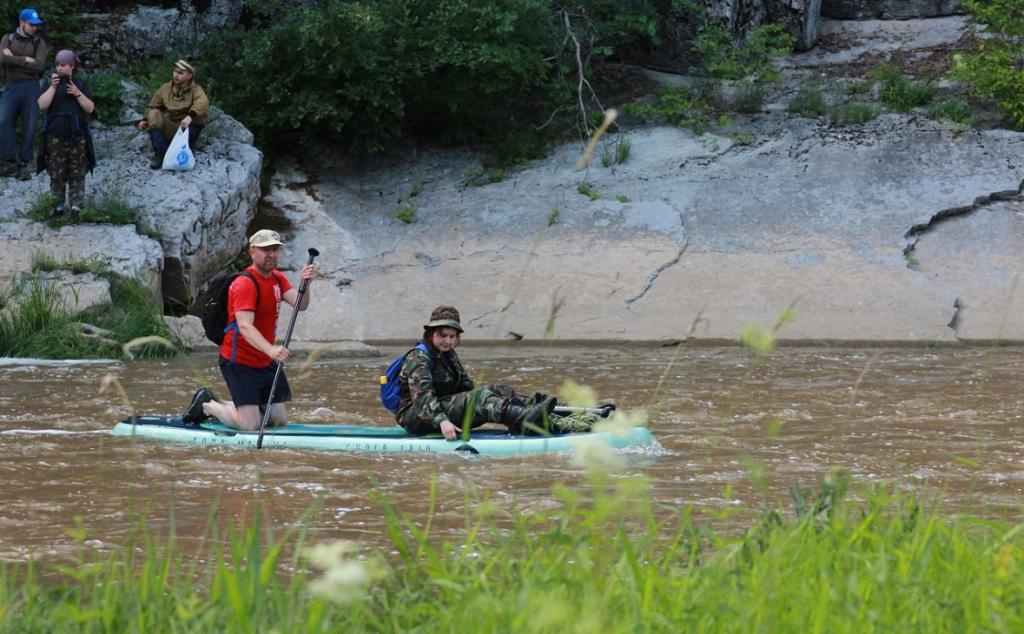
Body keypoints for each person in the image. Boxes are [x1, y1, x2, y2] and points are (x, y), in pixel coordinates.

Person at [183, 229, 316, 430]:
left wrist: (306, 285)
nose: (271, 254)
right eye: (265, 250)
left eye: (275, 250)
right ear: (253, 252)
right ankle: (207, 405)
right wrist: (271, 350)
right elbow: (245, 326)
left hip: (264, 360)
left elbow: (301, 305)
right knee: (250, 425)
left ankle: (237, 407)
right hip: (240, 362)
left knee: (278, 420)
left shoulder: (277, 278)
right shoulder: (244, 283)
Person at [395, 305, 558, 440]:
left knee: (497, 390)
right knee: (480, 398)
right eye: (443, 335)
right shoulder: (418, 357)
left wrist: (493, 395)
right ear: (431, 334)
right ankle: (524, 420)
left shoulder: (449, 356)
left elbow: (467, 389)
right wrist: (442, 421)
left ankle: (539, 411)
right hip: (417, 417)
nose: (448, 341)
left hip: (441, 406)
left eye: (452, 337)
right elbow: (423, 399)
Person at [36, 49, 95, 221]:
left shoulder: (81, 85)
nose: (62, 69)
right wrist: (54, 87)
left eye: (66, 65)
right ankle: (58, 206)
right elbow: (41, 104)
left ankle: (76, 207)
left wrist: (77, 93)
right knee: (56, 172)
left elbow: (90, 108)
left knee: (78, 172)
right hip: (55, 136)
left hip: (77, 134)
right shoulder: (48, 84)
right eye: (59, 65)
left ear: (72, 67)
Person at [0, 7, 48, 180]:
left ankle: (26, 162)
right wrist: (26, 60)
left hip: (31, 86)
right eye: (31, 24)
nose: (35, 28)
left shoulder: (39, 42)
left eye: (36, 25)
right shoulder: (8, 38)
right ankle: (10, 161)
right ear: (22, 22)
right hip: (12, 86)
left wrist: (14, 60)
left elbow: (40, 66)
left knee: (29, 125)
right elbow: (3, 59)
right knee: (3, 120)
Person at [137, 59, 208, 170]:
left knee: (194, 124)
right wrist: (145, 119)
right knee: (154, 113)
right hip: (170, 125)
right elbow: (153, 105)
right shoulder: (165, 88)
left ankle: (185, 147)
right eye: (175, 71)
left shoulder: (196, 90)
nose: (176, 75)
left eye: (180, 73)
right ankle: (160, 152)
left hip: (187, 128)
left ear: (189, 76)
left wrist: (190, 116)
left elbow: (202, 103)